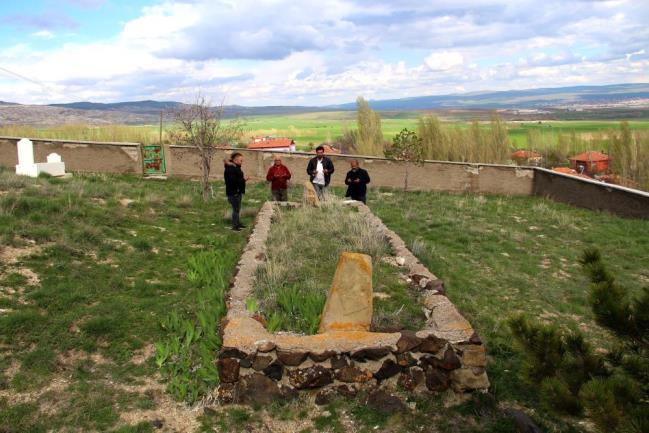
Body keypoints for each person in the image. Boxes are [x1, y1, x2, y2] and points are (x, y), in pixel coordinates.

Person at [224, 152, 249, 231]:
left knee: (237, 209)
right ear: (235, 160)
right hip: (233, 193)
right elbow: (233, 181)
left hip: (237, 192)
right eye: (241, 160)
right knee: (236, 210)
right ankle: (235, 226)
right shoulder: (231, 169)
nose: (242, 162)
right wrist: (244, 179)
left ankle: (238, 223)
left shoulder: (236, 167)